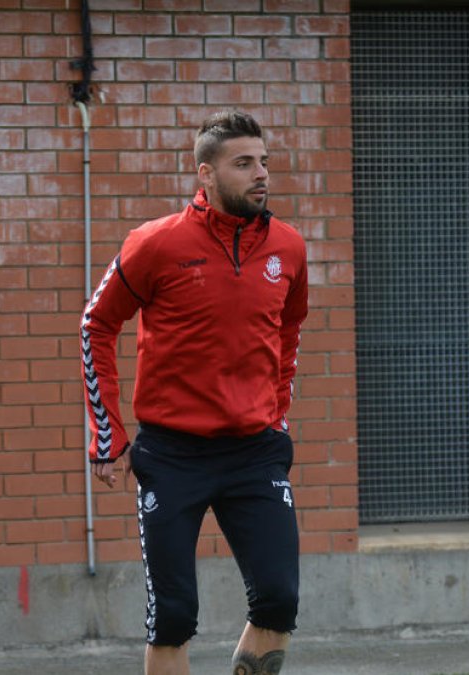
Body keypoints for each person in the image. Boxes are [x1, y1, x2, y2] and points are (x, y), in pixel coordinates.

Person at [81, 111, 308, 675]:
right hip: (174, 455)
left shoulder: (288, 248)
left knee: (279, 600)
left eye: (264, 162)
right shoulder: (155, 244)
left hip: (254, 452)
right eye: (244, 164)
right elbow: (95, 325)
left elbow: (288, 334)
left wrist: (275, 414)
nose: (261, 175)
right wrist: (107, 436)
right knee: (174, 616)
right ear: (205, 174)